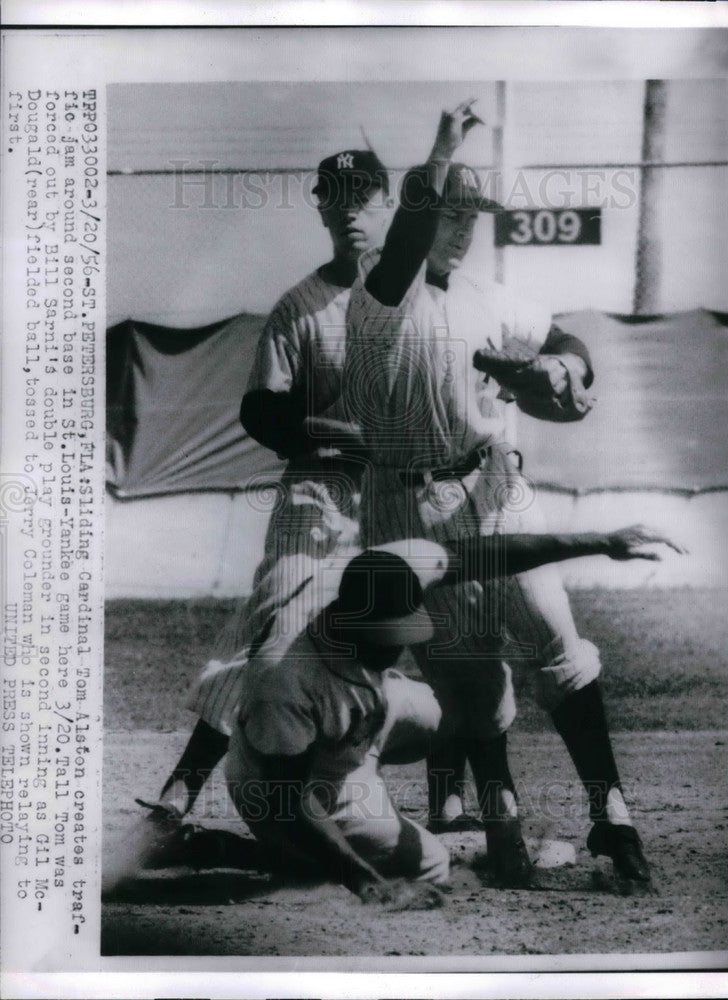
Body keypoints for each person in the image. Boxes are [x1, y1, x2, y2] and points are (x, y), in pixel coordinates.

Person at [342, 99, 655, 888]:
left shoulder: (487, 295)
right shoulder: (379, 298)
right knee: (469, 680)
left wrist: (571, 369)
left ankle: (611, 814)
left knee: (562, 646)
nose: (460, 225)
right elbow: (409, 235)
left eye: (471, 214)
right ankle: (501, 812)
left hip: (492, 483)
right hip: (404, 506)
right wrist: (442, 144)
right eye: (449, 210)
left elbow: (563, 342)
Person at [132, 150, 393, 823]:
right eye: (335, 196)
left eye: (363, 196)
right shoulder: (299, 306)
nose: (349, 210)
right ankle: (182, 793)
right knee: (269, 631)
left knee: (439, 632)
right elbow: (261, 410)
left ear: (389, 204)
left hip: (402, 497)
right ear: (320, 207)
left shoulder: (423, 298)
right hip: (319, 495)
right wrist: (336, 431)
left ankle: (459, 794)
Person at [225, 526, 681, 902]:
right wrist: (366, 882)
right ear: (347, 622)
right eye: (388, 634)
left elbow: (491, 552)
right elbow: (288, 799)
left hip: (358, 718)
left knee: (454, 709)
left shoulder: (390, 568)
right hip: (290, 782)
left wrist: (601, 543)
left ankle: (469, 821)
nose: (401, 643)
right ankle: (245, 852)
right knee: (430, 864)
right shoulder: (282, 677)